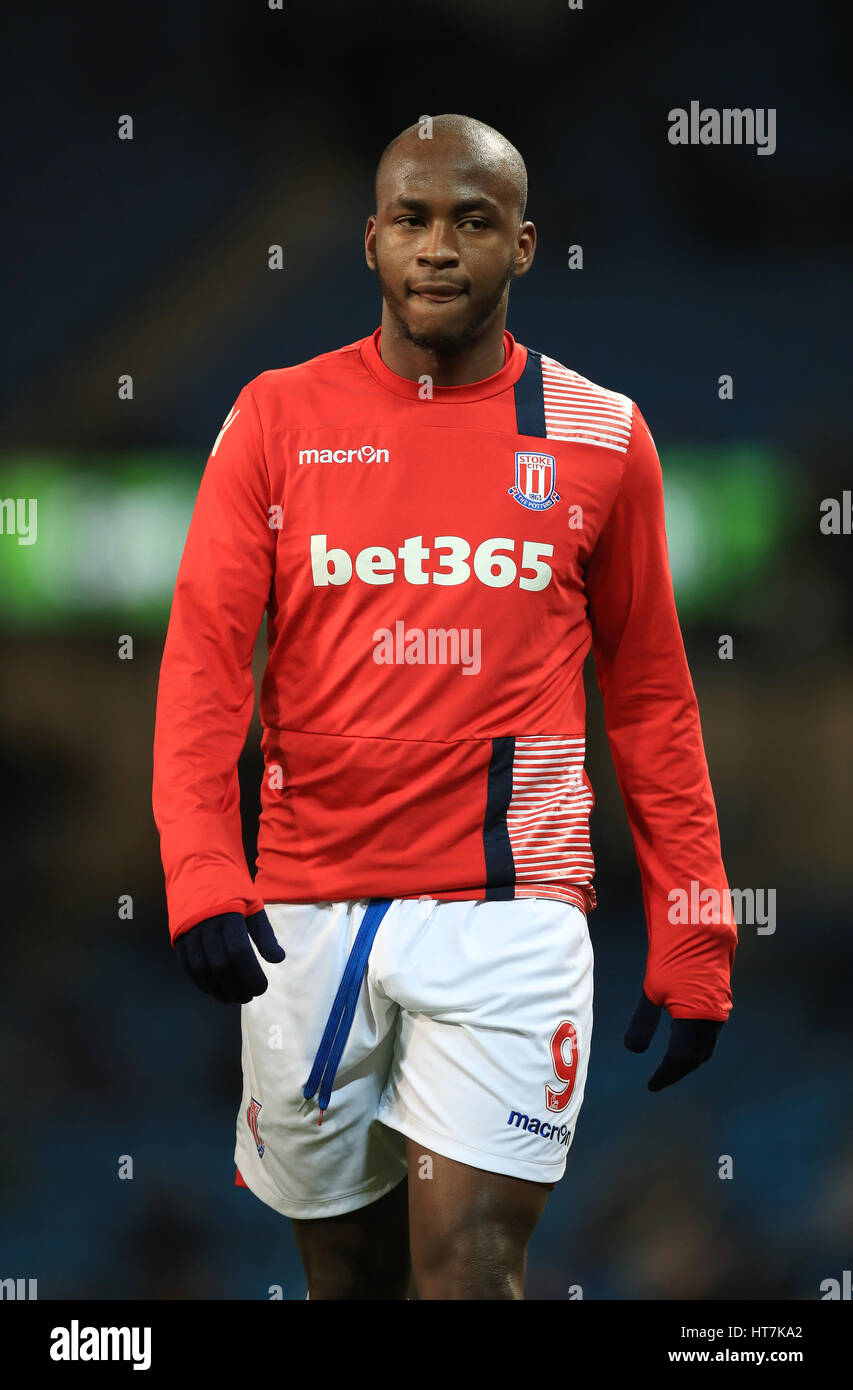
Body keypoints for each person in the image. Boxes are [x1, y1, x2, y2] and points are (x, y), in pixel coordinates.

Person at [152, 113, 737, 1300]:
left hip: (511, 914)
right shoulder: (274, 418)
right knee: (348, 1275)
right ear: (369, 242)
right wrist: (202, 867)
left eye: (471, 221)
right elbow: (207, 659)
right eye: (411, 220)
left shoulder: (602, 437)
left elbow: (650, 694)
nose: (437, 247)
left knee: (469, 1263)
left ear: (523, 246)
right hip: (306, 912)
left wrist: (694, 921)